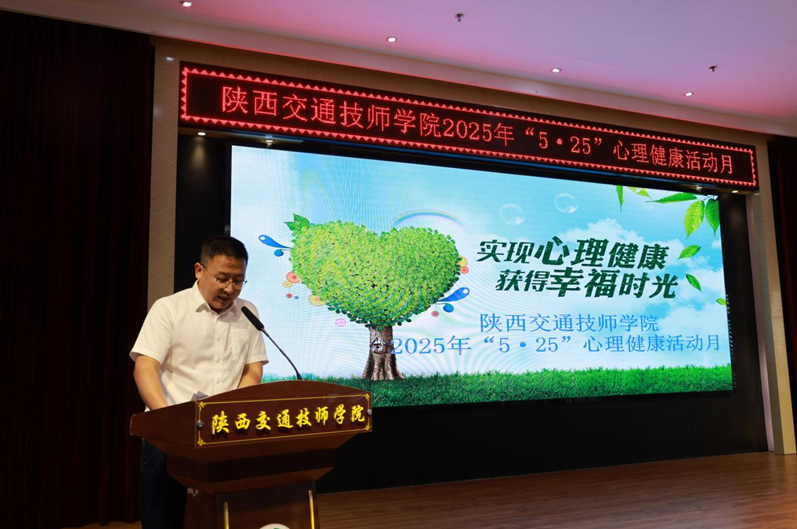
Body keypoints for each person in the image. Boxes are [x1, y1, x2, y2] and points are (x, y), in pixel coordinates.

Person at [130, 236, 268, 528]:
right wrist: (169, 421)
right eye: (222, 278)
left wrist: (234, 413)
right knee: (164, 520)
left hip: (224, 436)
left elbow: (252, 370)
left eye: (238, 281)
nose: (230, 289)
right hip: (168, 439)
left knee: (221, 519)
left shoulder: (248, 313)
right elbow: (145, 367)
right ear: (199, 270)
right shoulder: (169, 308)